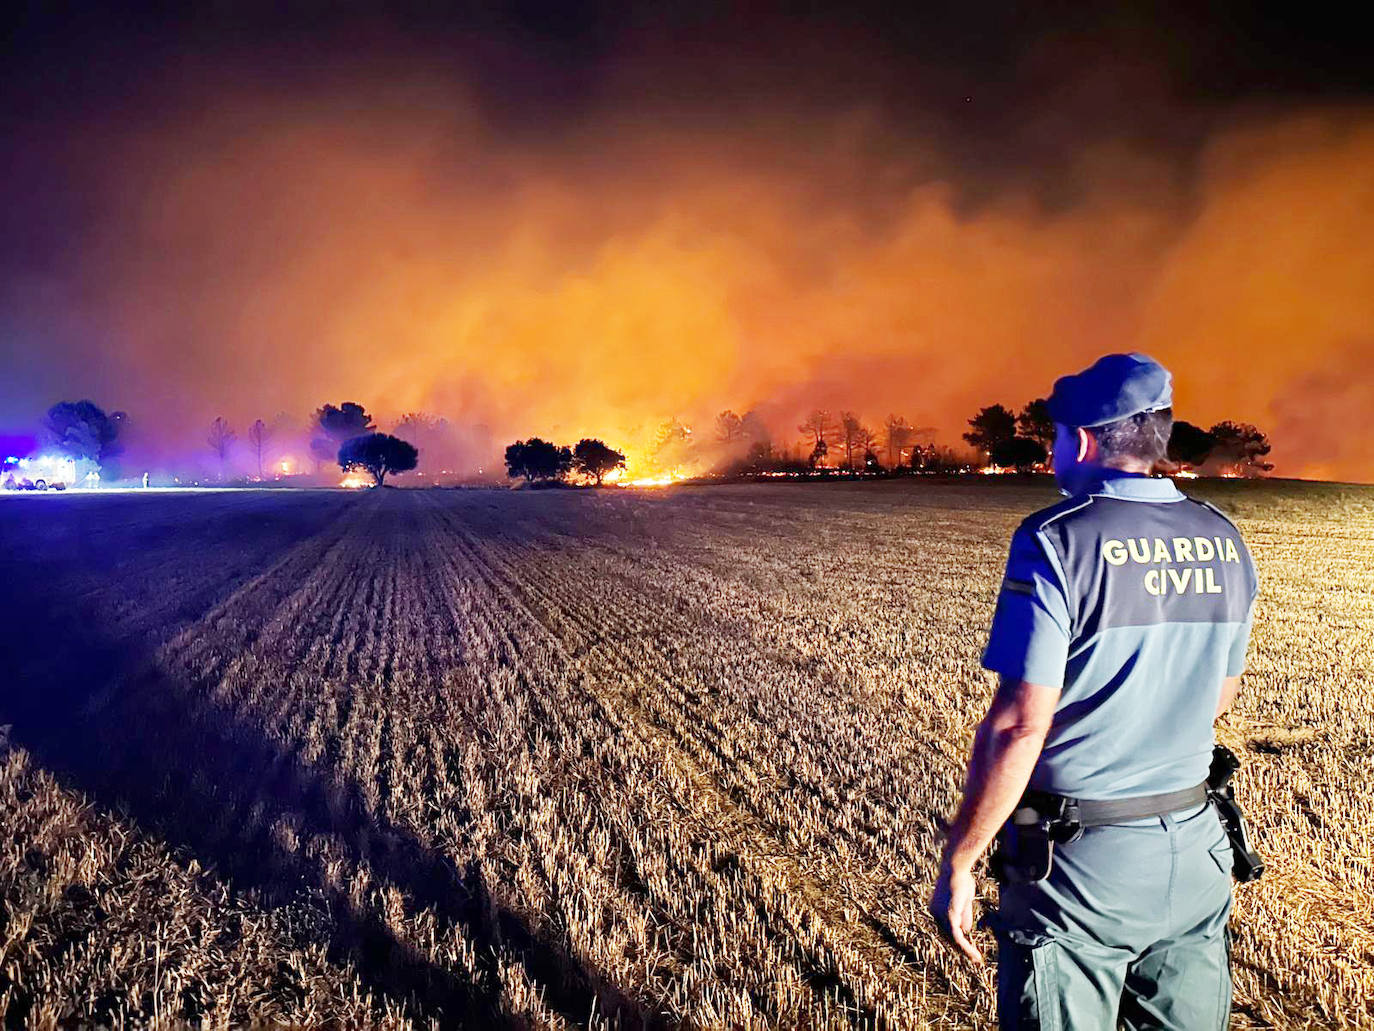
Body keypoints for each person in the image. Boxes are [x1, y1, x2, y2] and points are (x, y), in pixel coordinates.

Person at [929, 353, 1259, 1028]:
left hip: (1083, 873)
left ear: (1080, 440)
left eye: (1055, 437)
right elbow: (1219, 698)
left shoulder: (1055, 541)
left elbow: (1021, 724)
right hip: (1197, 853)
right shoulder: (1224, 538)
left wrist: (963, 857)